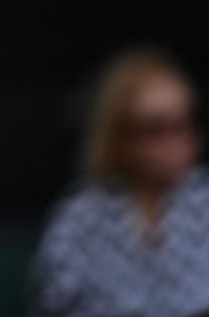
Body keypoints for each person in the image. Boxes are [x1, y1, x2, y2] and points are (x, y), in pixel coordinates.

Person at [30, 47, 209, 317]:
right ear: (118, 138)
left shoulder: (203, 202)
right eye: (157, 129)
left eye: (184, 123)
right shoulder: (79, 221)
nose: (178, 142)